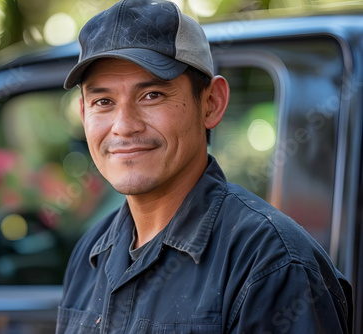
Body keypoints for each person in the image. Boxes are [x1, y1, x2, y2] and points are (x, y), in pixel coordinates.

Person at [57, 0, 353, 332]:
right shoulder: (92, 254)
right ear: (84, 115)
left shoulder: (272, 264)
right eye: (103, 102)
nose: (124, 126)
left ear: (211, 103)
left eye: (152, 95)